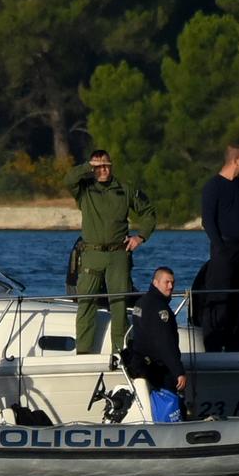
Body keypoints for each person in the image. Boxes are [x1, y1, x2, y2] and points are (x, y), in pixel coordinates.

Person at [64, 150, 157, 356]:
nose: (103, 170)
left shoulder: (124, 190)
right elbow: (68, 179)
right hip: (91, 254)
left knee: (119, 303)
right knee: (86, 302)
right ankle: (84, 352)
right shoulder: (85, 190)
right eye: (98, 166)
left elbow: (148, 213)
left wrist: (139, 237)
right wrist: (88, 166)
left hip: (118, 255)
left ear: (112, 166)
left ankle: (121, 352)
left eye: (106, 165)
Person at [197, 144, 239, 352]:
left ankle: (237, 344)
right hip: (225, 249)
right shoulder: (213, 186)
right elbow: (208, 221)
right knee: (220, 297)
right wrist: (221, 247)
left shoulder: (238, 185)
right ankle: (213, 343)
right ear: (236, 160)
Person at [124, 266, 187, 396]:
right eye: (167, 282)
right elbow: (165, 343)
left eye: (172, 282)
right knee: (169, 407)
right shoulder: (159, 309)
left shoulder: (141, 302)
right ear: (155, 283)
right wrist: (178, 371)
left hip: (143, 366)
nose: (170, 286)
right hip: (159, 371)